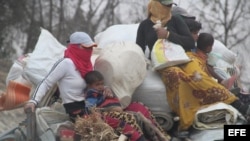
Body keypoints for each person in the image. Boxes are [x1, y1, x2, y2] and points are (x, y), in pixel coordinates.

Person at [157, 33, 250, 133]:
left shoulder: (198, 59)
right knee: (214, 88)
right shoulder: (193, 61)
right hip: (194, 94)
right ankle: (240, 107)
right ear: (209, 47)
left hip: (201, 91)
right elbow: (201, 80)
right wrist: (224, 92)